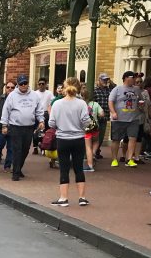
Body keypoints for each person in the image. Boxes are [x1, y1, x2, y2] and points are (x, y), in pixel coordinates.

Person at [48, 77, 90, 206]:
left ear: (65, 88)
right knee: (78, 168)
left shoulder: (57, 104)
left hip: (63, 139)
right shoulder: (81, 103)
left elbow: (52, 123)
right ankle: (82, 198)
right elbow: (86, 121)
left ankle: (63, 198)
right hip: (78, 139)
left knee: (64, 168)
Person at [0, 73, 44, 181]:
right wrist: (4, 125)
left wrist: (41, 120)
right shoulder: (12, 96)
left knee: (25, 150)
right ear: (18, 84)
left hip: (29, 127)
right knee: (17, 150)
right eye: (21, 84)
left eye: (25, 83)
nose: (23, 85)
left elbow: (39, 110)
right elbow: (6, 110)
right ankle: (15, 173)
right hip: (16, 126)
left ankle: (18, 169)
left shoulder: (34, 95)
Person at [109, 71, 143, 167]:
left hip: (133, 118)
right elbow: (110, 101)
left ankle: (129, 159)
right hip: (119, 119)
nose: (135, 80)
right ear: (126, 78)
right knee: (116, 139)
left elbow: (141, 100)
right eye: (133, 78)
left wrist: (141, 105)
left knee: (133, 138)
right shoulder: (117, 89)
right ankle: (114, 159)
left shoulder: (137, 90)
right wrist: (113, 112)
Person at [79, 83, 103, 171]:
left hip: (86, 128)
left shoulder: (80, 104)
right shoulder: (95, 104)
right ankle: (93, 153)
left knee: (88, 146)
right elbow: (102, 114)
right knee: (96, 141)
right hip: (95, 126)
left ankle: (90, 165)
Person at [0, 79, 15, 169]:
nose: (10, 89)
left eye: (12, 87)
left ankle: (7, 166)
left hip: (13, 128)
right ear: (5, 88)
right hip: (0, 128)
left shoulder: (17, 99)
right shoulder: (0, 99)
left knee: (11, 149)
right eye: (8, 87)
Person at [92, 73, 113, 158]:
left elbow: (115, 89)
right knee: (94, 135)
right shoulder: (95, 90)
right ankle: (93, 151)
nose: (105, 81)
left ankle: (97, 151)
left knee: (101, 136)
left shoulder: (109, 90)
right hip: (95, 117)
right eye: (103, 79)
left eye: (106, 79)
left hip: (105, 116)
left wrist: (110, 82)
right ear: (99, 80)